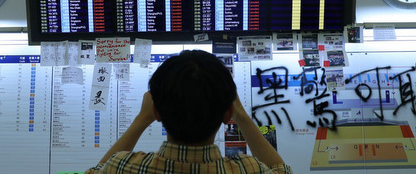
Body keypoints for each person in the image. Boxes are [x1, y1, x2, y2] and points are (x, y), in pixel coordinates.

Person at [85, 50, 292, 173]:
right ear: (228, 113)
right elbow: (281, 171)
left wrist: (142, 119)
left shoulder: (124, 166)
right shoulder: (247, 169)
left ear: (155, 111)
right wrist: (240, 114)